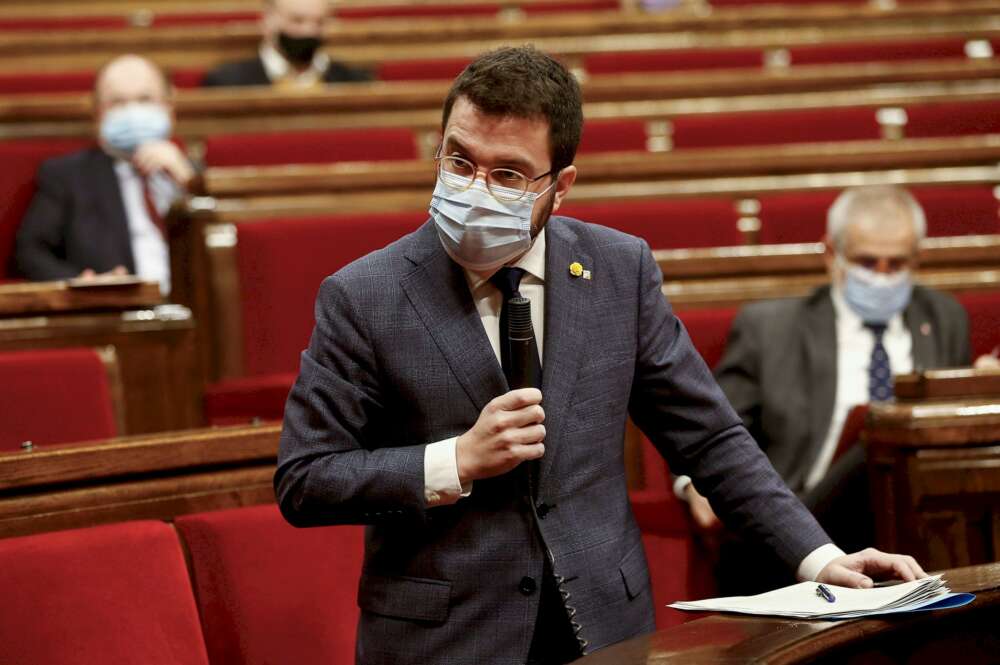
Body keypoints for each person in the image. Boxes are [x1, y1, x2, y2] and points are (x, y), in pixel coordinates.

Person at [275, 47, 926, 665]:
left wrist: (816, 556)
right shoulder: (363, 295)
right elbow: (306, 478)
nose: (474, 188)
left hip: (603, 627)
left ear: (561, 187)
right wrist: (455, 461)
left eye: (506, 174)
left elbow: (709, 436)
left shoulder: (619, 270)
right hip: (444, 638)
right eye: (458, 160)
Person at [680, 185, 972, 590]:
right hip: (807, 516)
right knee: (878, 432)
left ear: (917, 260)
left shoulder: (944, 319)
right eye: (868, 262)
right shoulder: (771, 330)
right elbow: (709, 430)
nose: (883, 278)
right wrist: (692, 483)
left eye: (897, 264)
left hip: (916, 523)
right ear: (832, 253)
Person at [16, 54, 193, 294]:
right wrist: (81, 284)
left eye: (145, 99)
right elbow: (30, 251)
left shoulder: (193, 173)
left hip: (198, 308)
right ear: (98, 113)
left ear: (169, 105)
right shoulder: (66, 176)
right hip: (117, 315)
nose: (133, 112)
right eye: (118, 103)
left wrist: (190, 182)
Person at [201, 0, 372, 88]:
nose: (309, 32)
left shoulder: (355, 81)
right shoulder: (227, 83)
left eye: (319, 22)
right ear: (268, 20)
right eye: (297, 21)